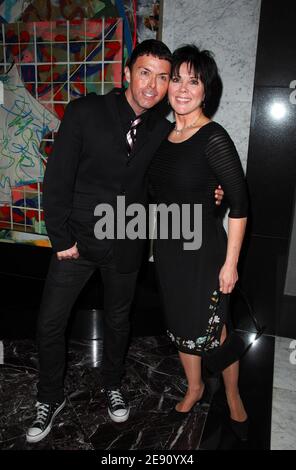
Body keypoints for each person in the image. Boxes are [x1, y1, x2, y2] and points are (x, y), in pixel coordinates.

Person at [26, 39, 224, 443]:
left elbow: (173, 183)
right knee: (50, 322)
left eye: (162, 77)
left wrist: (211, 192)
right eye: (145, 72)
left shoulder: (163, 131)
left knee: (119, 322)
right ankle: (49, 397)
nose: (153, 85)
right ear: (127, 73)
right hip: (76, 244)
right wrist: (61, 237)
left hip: (127, 243)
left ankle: (113, 384)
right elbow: (58, 178)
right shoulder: (86, 111)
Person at [149, 44, 249, 436]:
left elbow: (240, 205)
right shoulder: (161, 133)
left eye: (195, 81)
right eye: (177, 79)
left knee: (214, 327)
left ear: (207, 89)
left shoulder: (214, 138)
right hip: (170, 249)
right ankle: (193, 387)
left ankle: (233, 393)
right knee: (180, 324)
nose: (184, 88)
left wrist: (231, 264)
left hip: (207, 253)